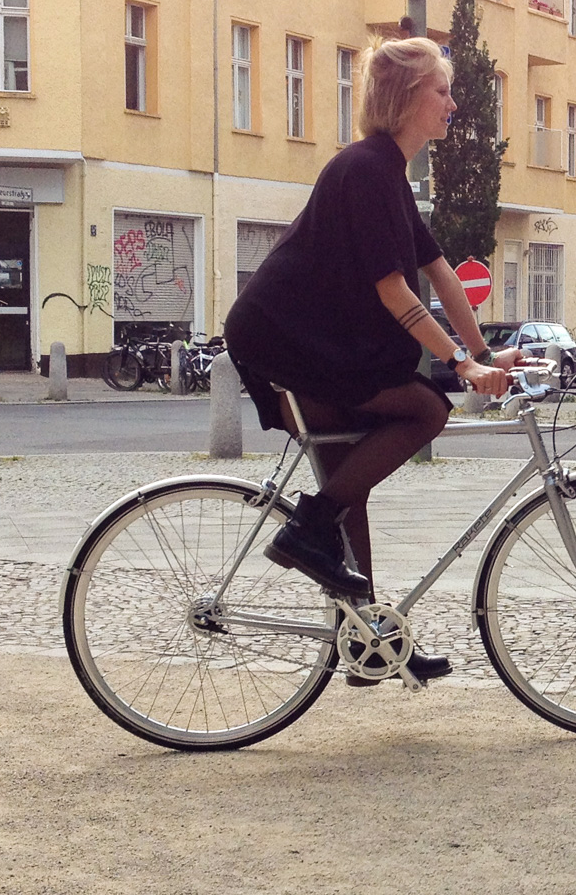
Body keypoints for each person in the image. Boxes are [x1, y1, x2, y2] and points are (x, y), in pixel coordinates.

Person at [224, 36, 520, 684]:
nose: (452, 101)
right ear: (407, 99)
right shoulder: (365, 171)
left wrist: (485, 352)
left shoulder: (387, 173)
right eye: (441, 90)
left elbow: (439, 273)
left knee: (349, 473)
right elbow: (393, 289)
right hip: (284, 335)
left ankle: (365, 642)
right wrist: (458, 368)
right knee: (423, 409)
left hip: (311, 335)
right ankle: (308, 528)